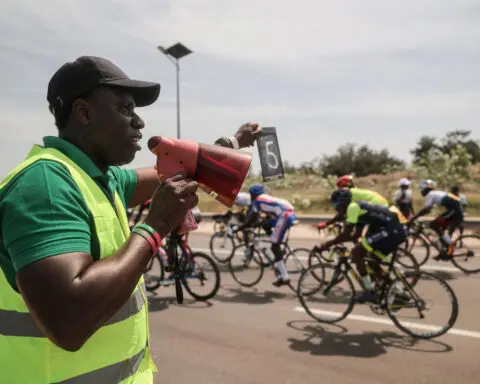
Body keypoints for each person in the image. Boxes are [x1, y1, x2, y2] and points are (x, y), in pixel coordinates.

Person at [0, 55, 261, 384]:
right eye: (125, 110)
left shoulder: (100, 179)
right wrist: (156, 227)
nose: (139, 122)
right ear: (83, 112)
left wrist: (232, 143)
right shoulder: (46, 185)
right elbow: (69, 322)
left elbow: (180, 168)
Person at [316, 189, 408, 303]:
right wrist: (336, 241)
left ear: (343, 203)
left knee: (356, 254)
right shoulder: (358, 208)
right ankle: (399, 292)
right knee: (372, 262)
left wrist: (326, 244)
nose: (335, 209)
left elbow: (346, 234)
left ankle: (370, 292)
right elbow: (356, 235)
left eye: (336, 205)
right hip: (393, 230)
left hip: (392, 231)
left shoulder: (352, 208)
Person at [235, 184, 296, 287]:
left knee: (274, 247)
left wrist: (240, 228)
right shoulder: (265, 198)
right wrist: (260, 223)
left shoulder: (257, 201)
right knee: (265, 225)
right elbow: (267, 216)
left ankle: (285, 277)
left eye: (251, 195)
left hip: (284, 216)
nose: (250, 197)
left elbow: (252, 218)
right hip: (288, 213)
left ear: (254, 195)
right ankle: (276, 247)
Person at [407, 179, 464, 260]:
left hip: (455, 212)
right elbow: (429, 210)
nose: (420, 191)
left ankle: (451, 244)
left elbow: (427, 209)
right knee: (440, 230)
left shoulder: (430, 194)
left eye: (421, 189)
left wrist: (414, 218)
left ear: (425, 189)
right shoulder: (436, 193)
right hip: (455, 211)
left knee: (433, 224)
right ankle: (444, 252)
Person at [317, 175, 389, 231]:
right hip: (382, 203)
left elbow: (341, 214)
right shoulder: (354, 191)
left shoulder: (349, 193)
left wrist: (327, 223)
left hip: (378, 206)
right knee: (356, 225)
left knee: (351, 227)